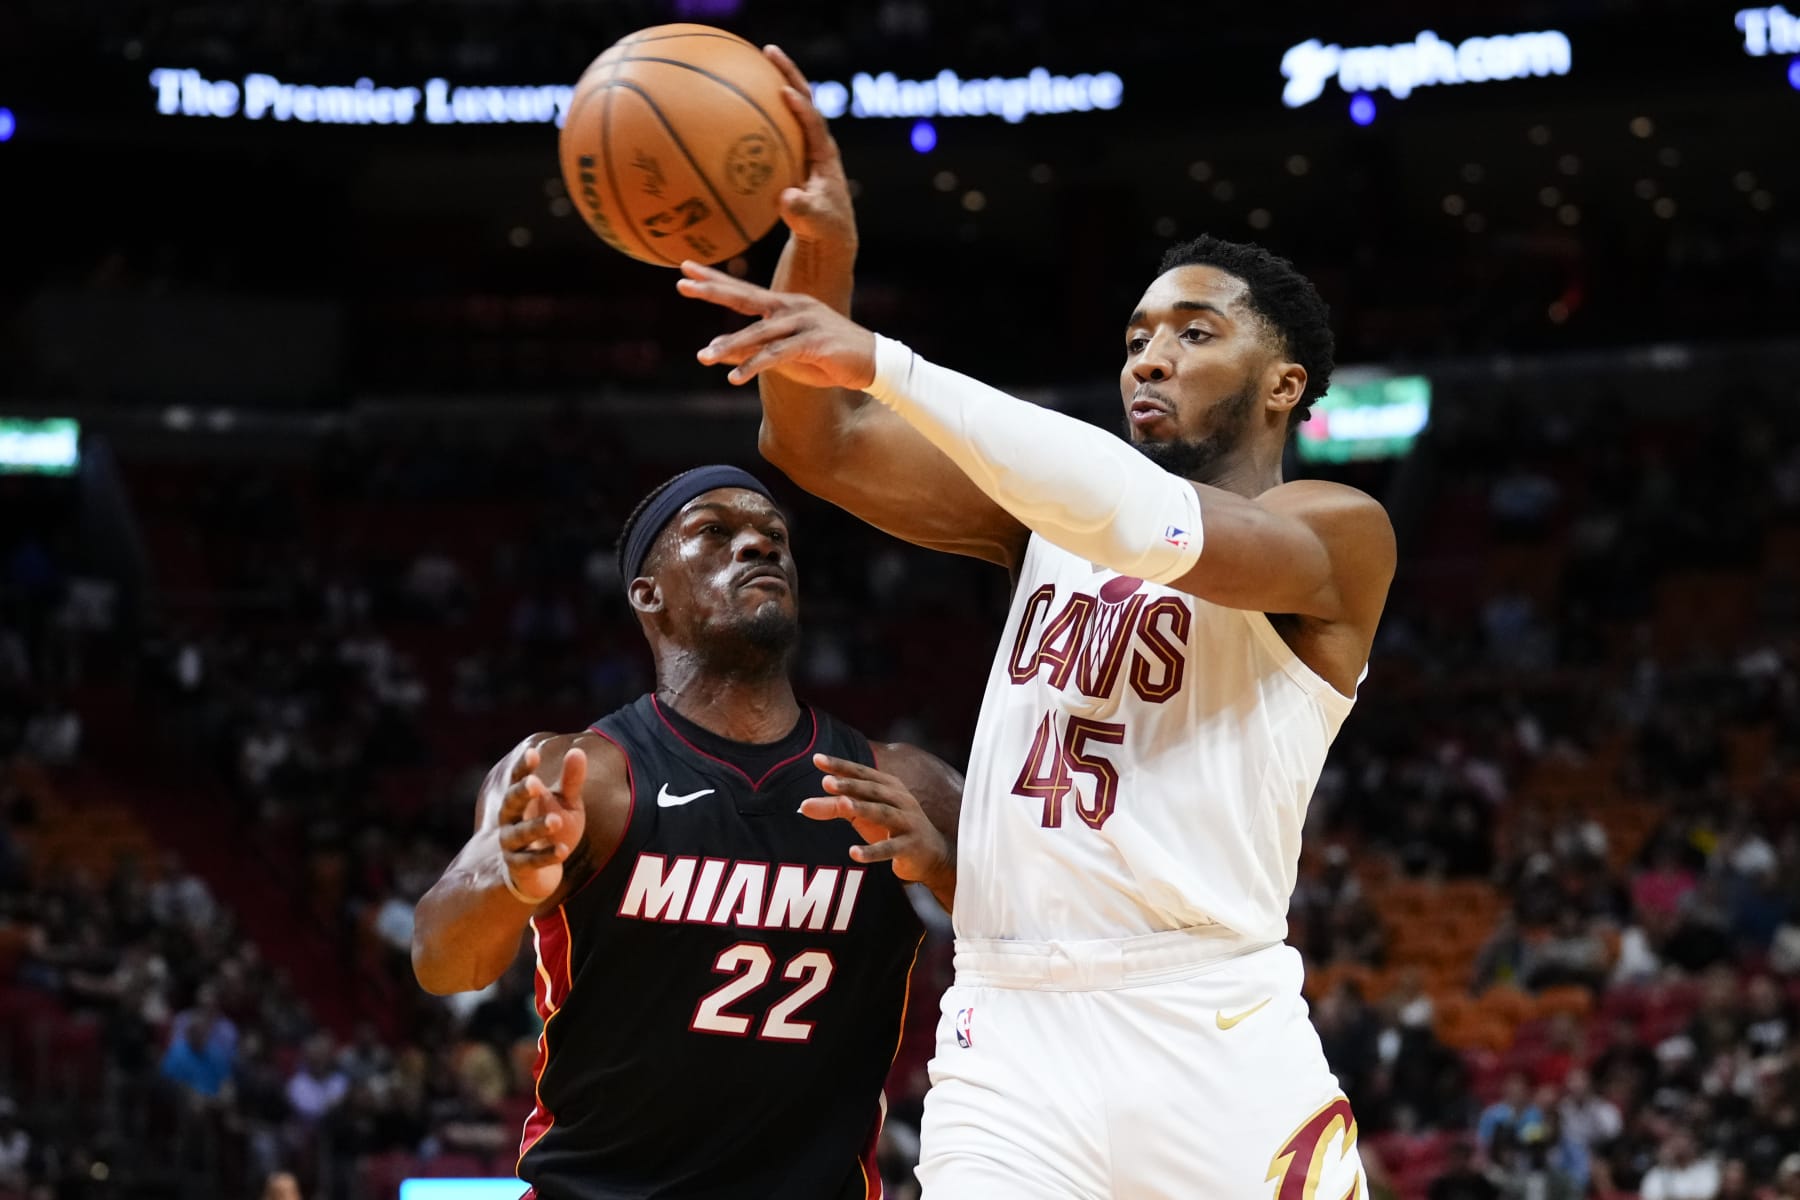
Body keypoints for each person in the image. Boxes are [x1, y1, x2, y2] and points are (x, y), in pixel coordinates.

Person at [675, 46, 1395, 1199]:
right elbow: (819, 443)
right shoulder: (1053, 517)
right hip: (1007, 1030)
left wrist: (896, 364)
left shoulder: (1334, 532)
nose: (1150, 355)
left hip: (1207, 1026)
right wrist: (829, 250)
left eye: (1195, 333)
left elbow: (1147, 523)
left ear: (1285, 385)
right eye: (1135, 338)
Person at [411, 465, 962, 1200]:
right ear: (649, 593)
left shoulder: (904, 783)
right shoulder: (582, 775)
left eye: (775, 537)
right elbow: (443, 964)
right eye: (714, 532)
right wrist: (510, 880)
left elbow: (1046, 942)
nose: (758, 547)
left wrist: (951, 873)